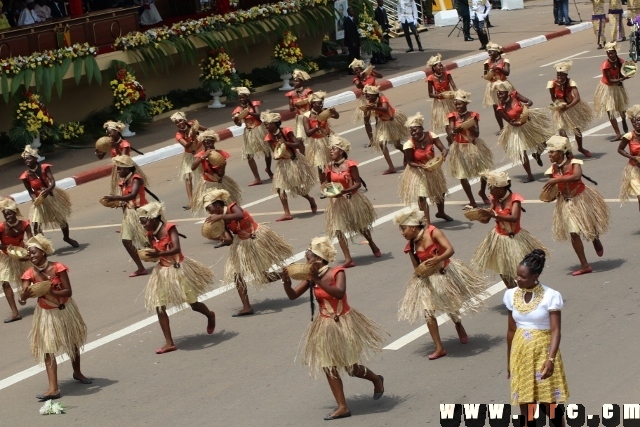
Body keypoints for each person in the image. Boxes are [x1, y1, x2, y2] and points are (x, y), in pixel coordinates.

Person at [282, 236, 386, 420]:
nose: (306, 260)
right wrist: (286, 282)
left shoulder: (338, 272)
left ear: (319, 258)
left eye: (308, 257)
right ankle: (342, 407)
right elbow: (293, 296)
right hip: (325, 326)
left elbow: (339, 293)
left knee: (351, 367)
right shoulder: (311, 277)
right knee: (328, 366)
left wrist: (317, 280)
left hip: (343, 323)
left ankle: (376, 379)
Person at [395, 209, 489, 360]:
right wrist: (421, 273)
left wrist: (438, 259)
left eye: (403, 229)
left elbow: (450, 250)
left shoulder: (433, 232)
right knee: (428, 312)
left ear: (412, 227)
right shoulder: (411, 246)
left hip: (444, 274)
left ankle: (458, 324)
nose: (401, 233)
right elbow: (417, 268)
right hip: (427, 280)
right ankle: (439, 347)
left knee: (451, 307)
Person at [137, 202, 216, 354]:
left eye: (145, 222)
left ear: (153, 218)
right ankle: (169, 343)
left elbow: (176, 248)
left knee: (194, 304)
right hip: (162, 271)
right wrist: (150, 254)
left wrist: (159, 253)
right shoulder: (150, 234)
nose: (144, 226)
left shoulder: (169, 228)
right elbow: (155, 252)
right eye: (142, 223)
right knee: (159, 306)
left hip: (178, 268)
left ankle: (210, 315)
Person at [20, 234, 91, 401]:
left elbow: (68, 291)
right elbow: (22, 298)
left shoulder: (58, 267)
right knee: (48, 348)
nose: (31, 255)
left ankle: (78, 372)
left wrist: (51, 291)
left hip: (65, 309)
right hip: (46, 313)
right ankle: (53, 388)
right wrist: (23, 296)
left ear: (43, 252)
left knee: (73, 341)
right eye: (29, 253)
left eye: (34, 252)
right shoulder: (29, 273)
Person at [202, 189, 293, 316]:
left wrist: (220, 216)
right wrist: (216, 235)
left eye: (209, 208)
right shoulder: (221, 222)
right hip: (242, 243)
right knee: (237, 276)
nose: (208, 212)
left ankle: (286, 273)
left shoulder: (232, 207)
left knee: (262, 277)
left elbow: (239, 215)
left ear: (217, 205)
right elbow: (229, 240)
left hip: (256, 240)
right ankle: (247, 307)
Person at [505, 250, 569, 418]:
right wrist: (509, 360)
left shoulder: (550, 296)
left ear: (535, 276)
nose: (518, 279)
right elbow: (511, 330)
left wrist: (551, 359)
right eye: (517, 275)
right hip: (521, 354)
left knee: (548, 405)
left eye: (523, 276)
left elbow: (556, 331)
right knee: (526, 406)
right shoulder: (510, 295)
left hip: (543, 353)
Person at [542, 136, 609, 276]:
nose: (549, 155)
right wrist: (550, 195)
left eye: (552, 152)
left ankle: (595, 238)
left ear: (561, 152)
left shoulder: (575, 163)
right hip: (566, 202)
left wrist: (556, 180)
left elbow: (577, 177)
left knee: (589, 225)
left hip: (581, 199)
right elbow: (555, 189)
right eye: (549, 152)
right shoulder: (551, 170)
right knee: (573, 233)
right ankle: (585, 265)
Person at [471, 171, 548, 288]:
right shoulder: (495, 199)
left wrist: (494, 215)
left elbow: (514, 218)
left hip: (515, 238)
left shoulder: (514, 199)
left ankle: (528, 290)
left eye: (492, 189)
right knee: (503, 271)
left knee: (521, 270)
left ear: (501, 189)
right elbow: (486, 219)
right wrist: (478, 215)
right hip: (499, 238)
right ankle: (513, 292)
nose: (490, 192)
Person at [324, 135, 381, 267]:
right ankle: (348, 259)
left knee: (361, 226)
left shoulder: (350, 165)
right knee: (338, 229)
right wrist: (328, 190)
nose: (331, 151)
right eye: (331, 149)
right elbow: (327, 183)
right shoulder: (329, 167)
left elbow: (358, 183)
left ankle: (372, 243)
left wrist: (345, 191)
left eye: (333, 149)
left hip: (352, 199)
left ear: (341, 151)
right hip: (337, 202)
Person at [262, 111, 318, 221]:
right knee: (279, 187)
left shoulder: (286, 131)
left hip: (293, 161)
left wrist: (286, 143)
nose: (265, 126)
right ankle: (287, 213)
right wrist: (277, 155)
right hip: (282, 163)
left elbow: (298, 145)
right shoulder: (269, 137)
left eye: (267, 124)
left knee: (295, 188)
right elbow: (275, 152)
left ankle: (310, 199)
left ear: (274, 123)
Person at [20, 145, 79, 247]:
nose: (27, 161)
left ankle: (67, 238)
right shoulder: (25, 176)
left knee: (61, 219)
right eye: (25, 160)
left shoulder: (44, 168)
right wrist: (36, 200)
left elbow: (52, 181)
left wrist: (48, 190)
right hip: (39, 199)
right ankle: (43, 245)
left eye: (29, 158)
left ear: (35, 158)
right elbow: (30, 191)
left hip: (50, 195)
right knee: (36, 224)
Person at [400, 112, 453, 224]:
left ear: (421, 128)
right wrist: (420, 166)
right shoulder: (409, 144)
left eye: (415, 130)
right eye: (411, 131)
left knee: (440, 192)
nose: (413, 133)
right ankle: (427, 222)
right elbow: (409, 162)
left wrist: (443, 154)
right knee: (422, 196)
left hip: (433, 168)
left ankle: (441, 212)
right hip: (418, 171)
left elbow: (443, 148)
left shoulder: (431, 135)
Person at [101, 155, 149, 277]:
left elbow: (133, 195)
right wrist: (118, 203)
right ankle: (140, 268)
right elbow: (126, 200)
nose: (118, 171)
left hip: (142, 213)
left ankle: (166, 256)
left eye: (120, 169)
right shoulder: (123, 182)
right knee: (126, 241)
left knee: (148, 240)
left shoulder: (136, 179)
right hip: (130, 215)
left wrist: (115, 197)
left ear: (127, 169)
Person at [494, 82, 551, 182]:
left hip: (528, 124)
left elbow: (529, 101)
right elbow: (511, 122)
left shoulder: (515, 95)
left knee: (544, 142)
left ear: (507, 92)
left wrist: (526, 107)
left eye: (501, 93)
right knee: (522, 153)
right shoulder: (500, 108)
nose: (500, 96)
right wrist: (519, 122)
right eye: (498, 94)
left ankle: (537, 154)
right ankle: (529, 175)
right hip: (516, 129)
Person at [446, 90, 493, 208]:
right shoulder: (452, 116)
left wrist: (468, 126)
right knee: (462, 175)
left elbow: (477, 133)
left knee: (484, 172)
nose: (457, 106)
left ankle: (482, 192)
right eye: (456, 104)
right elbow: (450, 132)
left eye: (460, 104)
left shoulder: (473, 116)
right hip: (459, 147)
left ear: (466, 103)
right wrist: (454, 131)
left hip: (473, 145)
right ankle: (472, 200)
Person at [547, 61, 594, 157]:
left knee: (576, 129)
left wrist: (567, 107)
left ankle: (580, 148)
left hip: (571, 107)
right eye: (558, 74)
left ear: (566, 75)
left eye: (562, 75)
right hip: (560, 108)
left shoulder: (570, 82)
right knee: (561, 131)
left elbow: (577, 98)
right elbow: (553, 97)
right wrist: (558, 104)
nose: (559, 77)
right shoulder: (552, 83)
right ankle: (569, 151)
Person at [189, 130, 242, 215]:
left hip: (220, 182)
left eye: (209, 142)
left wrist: (223, 166)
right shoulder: (201, 154)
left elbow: (221, 174)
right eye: (205, 143)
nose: (207, 145)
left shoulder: (220, 154)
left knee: (226, 205)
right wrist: (203, 156)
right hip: (207, 184)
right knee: (212, 206)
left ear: (214, 142)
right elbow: (193, 167)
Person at [231, 87, 273, 186]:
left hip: (259, 129)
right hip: (249, 132)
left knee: (267, 152)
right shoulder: (238, 109)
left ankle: (268, 169)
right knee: (249, 155)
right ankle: (257, 178)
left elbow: (258, 115)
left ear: (247, 96)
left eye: (243, 97)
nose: (242, 99)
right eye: (240, 98)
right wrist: (236, 119)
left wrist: (248, 112)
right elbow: (238, 124)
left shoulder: (254, 104)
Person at [363, 84, 408, 175]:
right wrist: (366, 112)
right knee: (381, 143)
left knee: (397, 145)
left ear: (375, 95)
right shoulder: (370, 103)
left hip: (392, 122)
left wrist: (373, 107)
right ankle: (391, 167)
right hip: (383, 123)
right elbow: (366, 120)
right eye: (366, 95)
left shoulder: (383, 99)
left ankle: (408, 154)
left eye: (369, 95)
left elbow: (385, 108)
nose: (367, 97)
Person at [0, 198, 33, 323]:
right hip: (7, 257)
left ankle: (47, 301)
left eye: (9, 214)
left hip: (22, 255)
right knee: (5, 283)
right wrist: (8, 248)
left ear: (15, 212)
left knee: (35, 278)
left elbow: (31, 241)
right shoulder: (1, 227)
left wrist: (29, 252)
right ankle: (15, 313)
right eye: (5, 214)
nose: (7, 217)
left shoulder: (24, 224)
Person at [594, 42, 629, 141]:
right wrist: (622, 79)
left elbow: (624, 73)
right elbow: (609, 80)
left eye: (612, 53)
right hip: (608, 88)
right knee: (610, 111)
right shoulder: (605, 65)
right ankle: (618, 134)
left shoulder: (621, 62)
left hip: (618, 86)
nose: (610, 55)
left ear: (615, 53)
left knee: (621, 109)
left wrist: (628, 74)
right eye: (608, 53)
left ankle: (623, 119)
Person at [171, 112, 206, 210]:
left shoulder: (192, 125)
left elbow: (206, 129)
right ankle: (191, 201)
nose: (179, 123)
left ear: (184, 120)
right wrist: (192, 137)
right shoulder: (178, 134)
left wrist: (197, 128)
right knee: (187, 177)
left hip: (200, 152)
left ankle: (206, 195)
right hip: (189, 156)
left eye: (180, 121)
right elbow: (186, 145)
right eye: (177, 123)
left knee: (204, 174)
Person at [303, 91, 339, 182]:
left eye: (321, 103)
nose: (321, 105)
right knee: (321, 166)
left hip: (328, 140)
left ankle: (334, 181)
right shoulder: (307, 116)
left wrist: (334, 112)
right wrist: (317, 127)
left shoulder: (324, 111)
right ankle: (324, 185)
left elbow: (336, 116)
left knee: (333, 163)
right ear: (313, 104)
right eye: (319, 103)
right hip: (317, 143)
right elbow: (308, 133)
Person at [350, 59, 382, 149]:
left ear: (361, 68)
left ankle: (379, 137)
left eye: (357, 70)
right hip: (366, 99)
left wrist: (372, 70)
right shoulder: (356, 79)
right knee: (366, 120)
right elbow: (359, 86)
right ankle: (371, 140)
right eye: (355, 71)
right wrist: (361, 77)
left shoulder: (370, 73)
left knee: (378, 118)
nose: (356, 72)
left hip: (375, 97)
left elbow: (380, 76)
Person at [483, 42, 513, 132]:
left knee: (509, 104)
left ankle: (512, 122)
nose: (489, 54)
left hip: (504, 84)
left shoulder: (505, 61)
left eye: (491, 52)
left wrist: (498, 68)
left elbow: (507, 72)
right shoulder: (487, 62)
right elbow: (485, 75)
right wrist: (489, 75)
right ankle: (501, 128)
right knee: (496, 107)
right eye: (488, 52)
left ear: (497, 52)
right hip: (493, 86)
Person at [96, 120, 133, 195]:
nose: (109, 135)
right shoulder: (109, 143)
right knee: (120, 189)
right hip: (118, 168)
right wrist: (97, 151)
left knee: (128, 186)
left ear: (117, 132)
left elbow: (123, 159)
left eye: (111, 132)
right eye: (108, 133)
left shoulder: (124, 144)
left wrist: (116, 147)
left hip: (126, 168)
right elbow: (100, 157)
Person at [426, 53, 457, 133]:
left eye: (442, 65)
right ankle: (450, 136)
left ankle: (452, 135)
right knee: (447, 122)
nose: (441, 67)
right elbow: (430, 94)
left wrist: (457, 95)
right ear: (434, 68)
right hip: (440, 103)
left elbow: (454, 86)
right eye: (439, 66)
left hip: (449, 100)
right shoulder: (431, 78)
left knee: (453, 119)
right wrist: (438, 95)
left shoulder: (447, 74)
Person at [617, 105, 640, 210]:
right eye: (634, 121)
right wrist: (632, 157)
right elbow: (620, 149)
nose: (637, 123)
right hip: (634, 171)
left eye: (639, 120)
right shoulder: (629, 136)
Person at [285, 69, 313, 139]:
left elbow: (312, 104)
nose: (295, 83)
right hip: (300, 117)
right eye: (294, 81)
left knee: (311, 135)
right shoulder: (291, 94)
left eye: (297, 81)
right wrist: (295, 104)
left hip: (309, 116)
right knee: (301, 137)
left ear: (302, 82)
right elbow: (291, 109)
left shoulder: (308, 91)